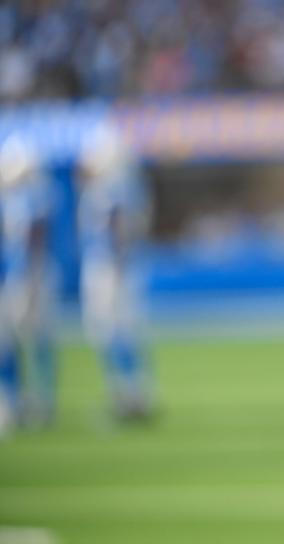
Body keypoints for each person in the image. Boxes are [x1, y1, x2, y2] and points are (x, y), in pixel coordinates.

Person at [76, 125, 155, 421]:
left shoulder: (113, 188)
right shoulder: (125, 186)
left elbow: (118, 232)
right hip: (117, 266)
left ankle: (127, 395)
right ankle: (133, 394)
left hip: (110, 268)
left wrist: (117, 267)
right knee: (122, 330)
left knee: (112, 330)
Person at [0, 135, 58, 432]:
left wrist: (23, 274)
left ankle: (39, 400)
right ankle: (17, 399)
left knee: (32, 337)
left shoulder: (35, 194)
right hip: (17, 274)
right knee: (10, 341)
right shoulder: (17, 196)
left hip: (30, 275)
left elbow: (31, 240)